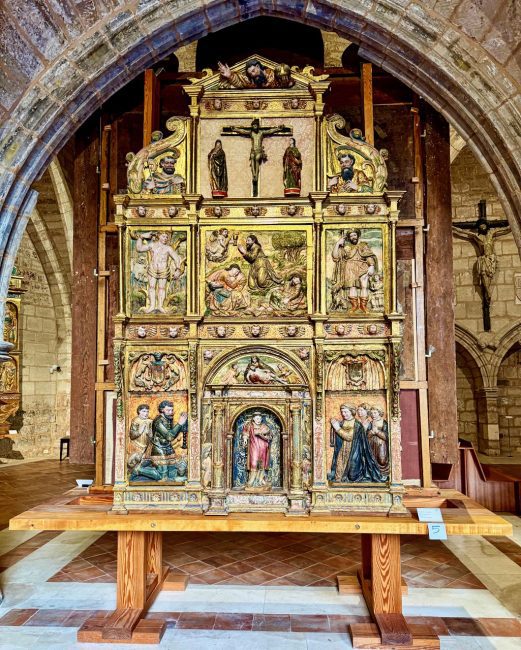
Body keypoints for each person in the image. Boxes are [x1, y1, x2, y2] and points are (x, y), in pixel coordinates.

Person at [222, 119, 289, 195]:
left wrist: (278, 129)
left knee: (257, 158)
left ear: (258, 126)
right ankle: (254, 174)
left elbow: (270, 131)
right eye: (253, 126)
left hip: (259, 151)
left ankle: (256, 175)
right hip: (253, 151)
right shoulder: (251, 133)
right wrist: (235, 129)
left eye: (256, 125)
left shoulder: (261, 133)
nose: (254, 127)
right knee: (252, 157)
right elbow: (243, 131)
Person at [328, 404, 386, 483]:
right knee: (339, 471)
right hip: (342, 450)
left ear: (351, 412)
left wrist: (337, 428)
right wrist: (335, 425)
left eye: (345, 412)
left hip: (354, 450)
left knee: (352, 475)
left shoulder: (357, 425)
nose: (343, 414)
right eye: (342, 412)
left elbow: (349, 437)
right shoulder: (342, 423)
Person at [136, 232, 185, 313]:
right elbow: (139, 248)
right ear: (159, 236)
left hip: (163, 271)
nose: (165, 238)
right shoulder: (152, 245)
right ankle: (152, 306)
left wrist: (178, 269)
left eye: (166, 237)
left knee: (162, 288)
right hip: (152, 269)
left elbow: (176, 258)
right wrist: (141, 237)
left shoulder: (168, 248)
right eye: (163, 236)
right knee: (151, 287)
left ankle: (160, 306)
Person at [331, 229, 377, 313]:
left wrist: (371, 265)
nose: (353, 237)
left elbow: (369, 256)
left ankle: (363, 306)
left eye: (354, 235)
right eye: (351, 236)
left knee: (364, 286)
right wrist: (338, 244)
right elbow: (336, 257)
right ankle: (354, 306)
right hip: (350, 268)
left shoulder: (363, 245)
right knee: (352, 287)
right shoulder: (346, 247)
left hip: (362, 266)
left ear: (357, 235)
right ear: (349, 238)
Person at [242, 412, 274, 487]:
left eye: (260, 418)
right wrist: (245, 439)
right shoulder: (250, 425)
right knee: (254, 462)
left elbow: (270, 435)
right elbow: (245, 433)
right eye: (257, 418)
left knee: (262, 463)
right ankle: (252, 480)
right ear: (253, 419)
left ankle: (261, 479)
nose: (258, 420)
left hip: (263, 447)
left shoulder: (264, 426)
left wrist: (263, 435)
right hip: (254, 446)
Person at [218, 58, 294, 89]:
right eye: (250, 74)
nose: (253, 74)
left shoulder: (274, 76)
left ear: (258, 66)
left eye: (253, 71)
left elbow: (289, 82)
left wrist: (285, 80)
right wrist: (230, 76)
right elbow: (241, 83)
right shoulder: (251, 82)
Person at [368, 406, 389, 475]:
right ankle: (374, 473)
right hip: (371, 444)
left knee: (382, 460)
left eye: (375, 413)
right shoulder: (370, 423)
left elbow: (386, 436)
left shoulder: (384, 422)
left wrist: (377, 432)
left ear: (379, 413)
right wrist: (371, 432)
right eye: (371, 413)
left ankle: (383, 473)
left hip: (381, 444)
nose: (373, 415)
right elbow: (366, 435)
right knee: (372, 459)